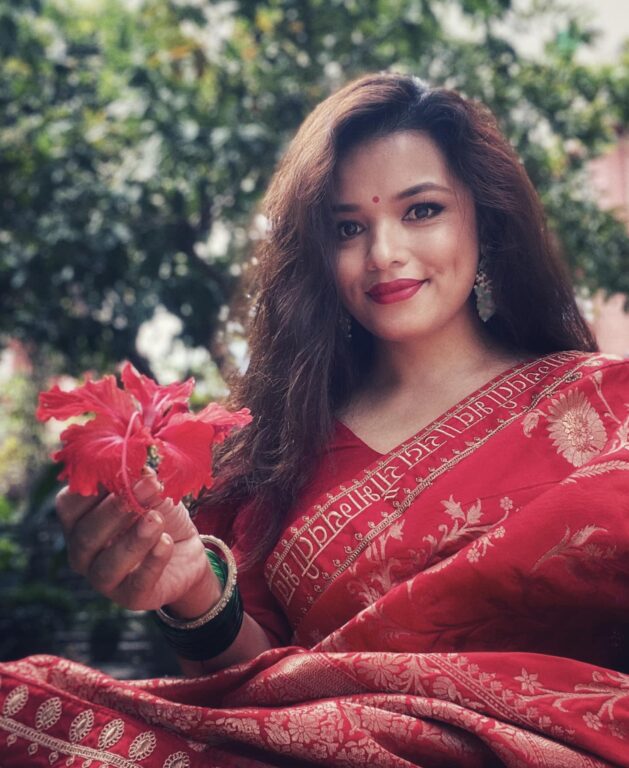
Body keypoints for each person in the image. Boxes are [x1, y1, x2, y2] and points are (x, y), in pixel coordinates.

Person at [1, 72, 628, 768]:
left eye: (421, 210)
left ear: (486, 220)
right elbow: (260, 698)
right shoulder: (274, 453)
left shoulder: (606, 407)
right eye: (347, 228)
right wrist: (193, 593)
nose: (383, 253)